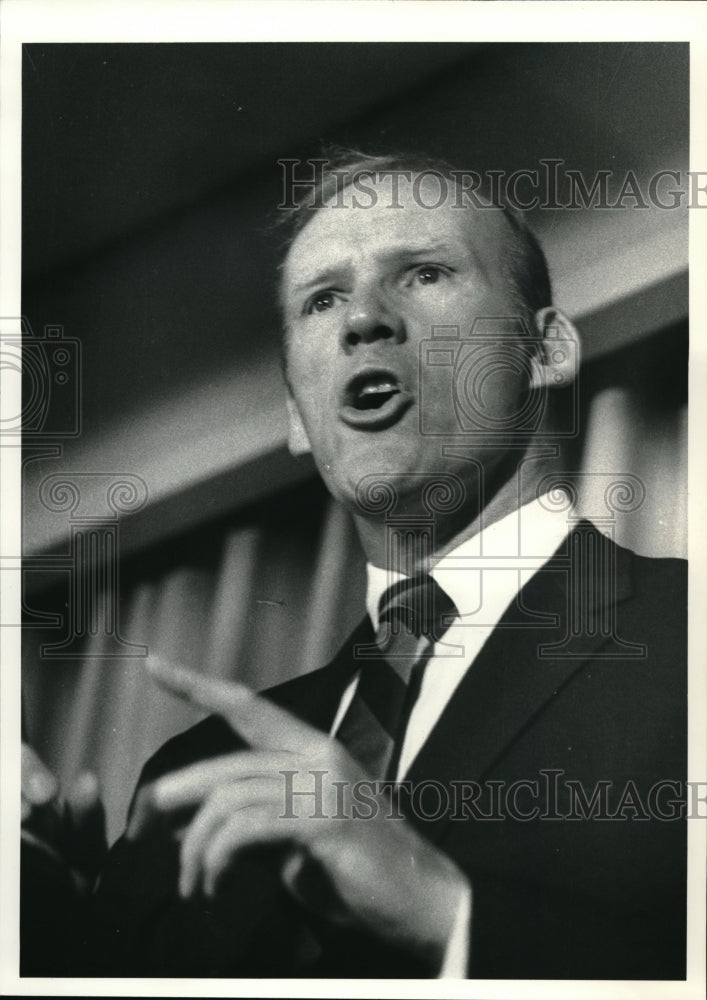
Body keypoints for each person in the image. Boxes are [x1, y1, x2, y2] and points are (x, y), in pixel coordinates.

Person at [21, 151, 687, 980]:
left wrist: (446, 915)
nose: (362, 319)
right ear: (298, 416)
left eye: (424, 273)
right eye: (322, 298)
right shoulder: (199, 775)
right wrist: (46, 921)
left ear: (546, 350)